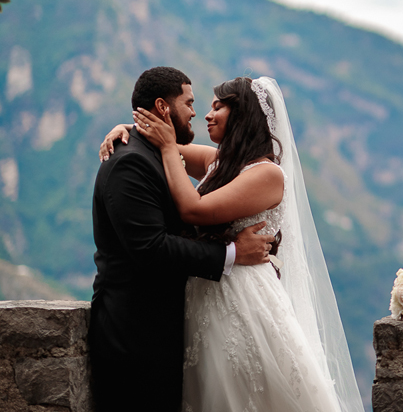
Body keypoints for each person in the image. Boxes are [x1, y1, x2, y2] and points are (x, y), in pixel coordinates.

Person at [101, 75, 364, 412]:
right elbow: (158, 141)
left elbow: (192, 208)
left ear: (243, 115)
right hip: (206, 294)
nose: (207, 115)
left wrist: (167, 147)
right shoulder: (219, 164)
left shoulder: (267, 174)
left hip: (242, 297)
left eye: (217, 107)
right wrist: (127, 127)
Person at [90, 67, 276, 412]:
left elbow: (187, 198)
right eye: (191, 103)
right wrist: (233, 252)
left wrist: (138, 130)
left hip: (224, 307)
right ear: (163, 108)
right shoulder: (134, 162)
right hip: (135, 332)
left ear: (243, 115)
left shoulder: (254, 170)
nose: (199, 112)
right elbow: (152, 247)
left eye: (217, 106)